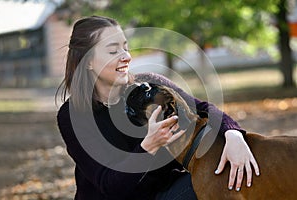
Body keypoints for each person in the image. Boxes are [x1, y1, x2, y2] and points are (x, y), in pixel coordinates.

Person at [56, 15, 260, 200]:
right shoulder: (74, 116)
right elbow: (110, 186)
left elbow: (204, 108)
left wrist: (233, 134)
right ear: (88, 62)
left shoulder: (148, 86)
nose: (126, 56)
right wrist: (149, 146)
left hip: (166, 192)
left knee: (221, 177)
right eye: (113, 50)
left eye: (125, 47)